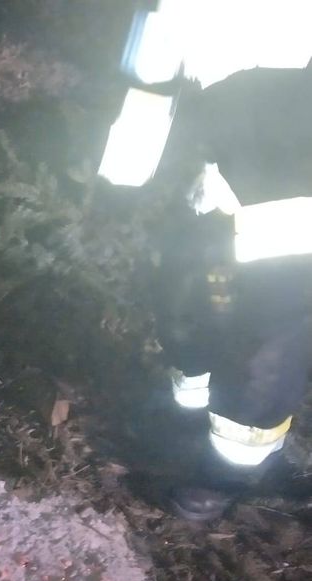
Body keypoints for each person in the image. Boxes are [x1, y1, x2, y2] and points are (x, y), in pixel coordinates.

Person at [98, 1, 312, 520]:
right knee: (190, 313)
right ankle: (193, 427)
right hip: (219, 192)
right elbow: (147, 85)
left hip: (291, 208)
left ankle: (228, 474)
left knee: (266, 344)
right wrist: (120, 186)